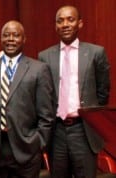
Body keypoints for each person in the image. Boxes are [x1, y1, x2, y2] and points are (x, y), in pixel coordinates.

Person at [0, 20, 55, 178]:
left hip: (26, 150)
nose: (10, 39)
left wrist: (38, 143)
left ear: (24, 39)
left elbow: (46, 114)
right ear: (1, 39)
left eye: (16, 35)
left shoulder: (39, 69)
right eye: (6, 35)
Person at [38, 5, 110, 178]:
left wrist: (89, 118)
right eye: (60, 21)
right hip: (57, 133)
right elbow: (43, 97)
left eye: (70, 19)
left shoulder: (96, 53)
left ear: (80, 23)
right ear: (55, 26)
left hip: (83, 131)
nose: (65, 24)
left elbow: (103, 93)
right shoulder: (44, 57)